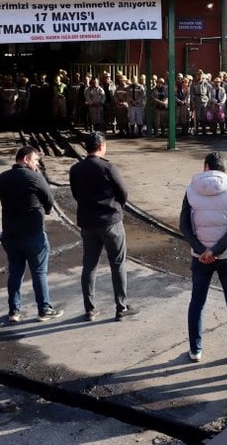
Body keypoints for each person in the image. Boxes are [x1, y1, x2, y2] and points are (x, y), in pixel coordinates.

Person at [179, 151, 227, 363]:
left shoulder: (191, 190)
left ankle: (195, 350)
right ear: (224, 170)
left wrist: (202, 250)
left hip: (199, 257)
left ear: (206, 167)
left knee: (197, 302)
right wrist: (216, 251)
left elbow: (184, 225)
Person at [69, 132, 138, 322]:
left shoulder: (76, 169)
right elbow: (123, 191)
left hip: (87, 223)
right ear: (101, 146)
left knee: (89, 266)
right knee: (117, 264)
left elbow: (75, 193)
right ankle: (121, 307)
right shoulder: (108, 167)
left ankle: (90, 309)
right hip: (111, 222)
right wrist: (116, 207)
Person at [0, 146, 63, 323]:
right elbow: (49, 199)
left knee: (15, 272)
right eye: (35, 161)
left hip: (10, 234)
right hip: (33, 233)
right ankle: (43, 309)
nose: (36, 164)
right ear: (25, 159)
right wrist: (44, 209)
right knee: (39, 272)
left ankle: (13, 311)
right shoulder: (34, 177)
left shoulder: (2, 178)